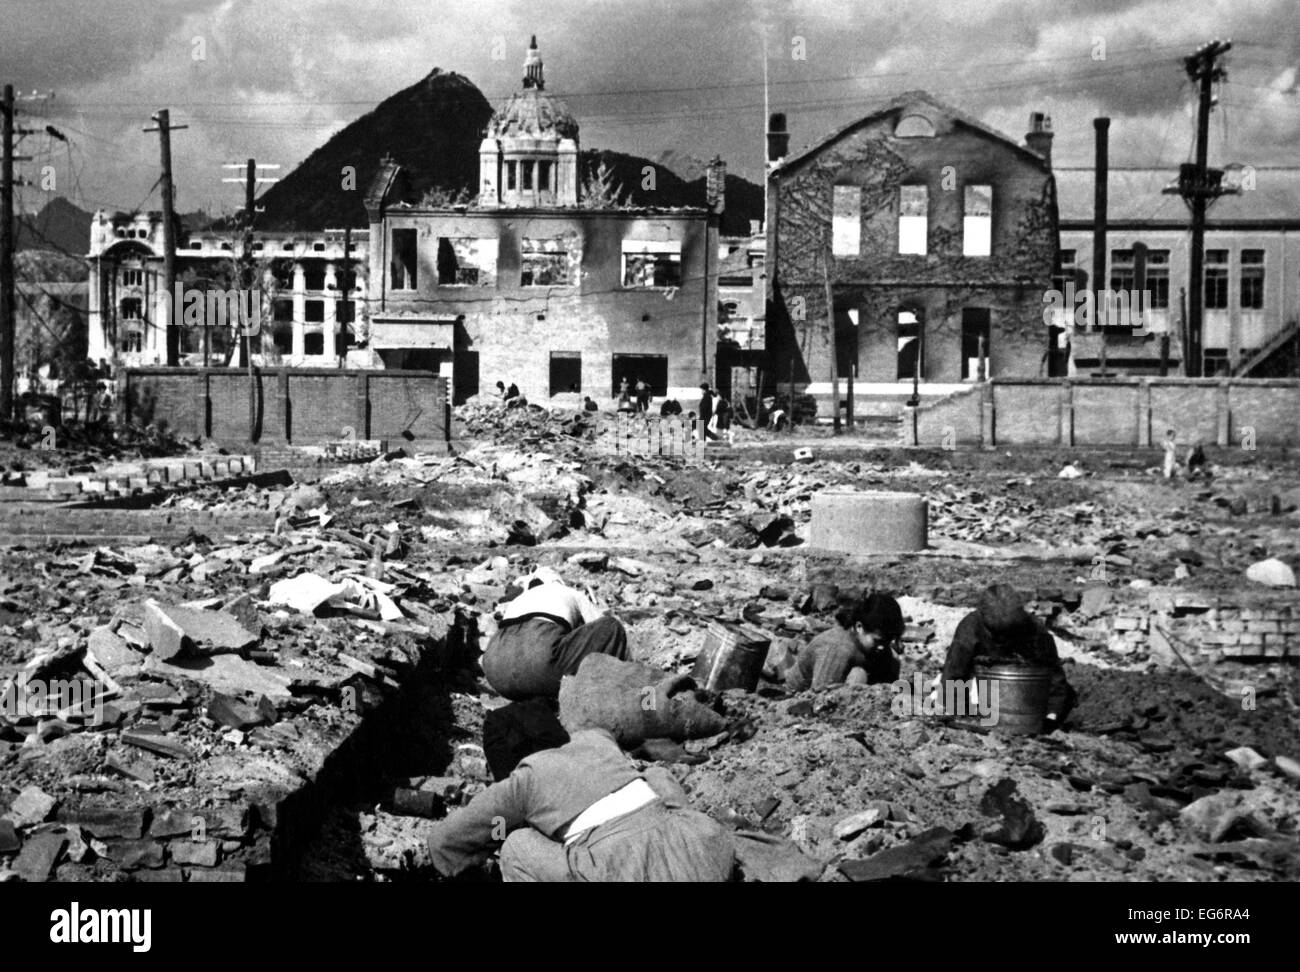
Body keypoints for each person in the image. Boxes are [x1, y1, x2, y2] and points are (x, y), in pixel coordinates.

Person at [425, 727, 736, 882]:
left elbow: (446, 841)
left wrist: (479, 856)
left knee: (517, 846)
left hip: (621, 868)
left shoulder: (525, 779)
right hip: (701, 854)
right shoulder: (597, 742)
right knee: (654, 774)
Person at [940, 584, 1076, 730]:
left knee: (1066, 697)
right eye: (998, 636)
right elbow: (954, 673)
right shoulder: (971, 628)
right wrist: (957, 710)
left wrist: (1052, 714)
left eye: (1007, 635)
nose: (1002, 640)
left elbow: (1054, 675)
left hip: (1027, 699)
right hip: (988, 695)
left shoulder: (1034, 630)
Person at [481, 568, 630, 701]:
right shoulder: (568, 592)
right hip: (540, 662)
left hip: (496, 672)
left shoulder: (517, 600)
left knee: (541, 666)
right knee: (611, 626)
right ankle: (613, 695)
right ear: (557, 581)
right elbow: (599, 624)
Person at [785, 593, 905, 692]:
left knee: (892, 660)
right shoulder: (837, 648)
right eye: (877, 640)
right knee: (858, 675)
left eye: (887, 642)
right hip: (799, 696)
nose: (882, 647)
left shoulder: (876, 646)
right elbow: (820, 694)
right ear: (859, 627)